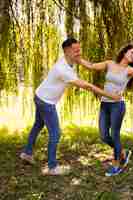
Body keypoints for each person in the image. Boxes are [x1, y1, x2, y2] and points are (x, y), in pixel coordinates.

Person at [20, 38, 121, 175]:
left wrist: (79, 58)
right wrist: (109, 95)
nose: (79, 52)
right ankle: (52, 167)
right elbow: (86, 86)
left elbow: (86, 64)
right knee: (55, 133)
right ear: (66, 51)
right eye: (76, 50)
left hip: (40, 96)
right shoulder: (63, 69)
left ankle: (27, 153)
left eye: (80, 49)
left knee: (38, 125)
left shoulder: (68, 60)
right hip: (46, 102)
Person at [79, 43, 133, 176]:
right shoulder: (109, 63)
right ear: (124, 52)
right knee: (103, 135)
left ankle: (116, 164)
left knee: (115, 134)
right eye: (131, 52)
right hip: (105, 104)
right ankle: (122, 153)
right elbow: (91, 66)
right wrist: (77, 59)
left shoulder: (130, 70)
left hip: (117, 106)